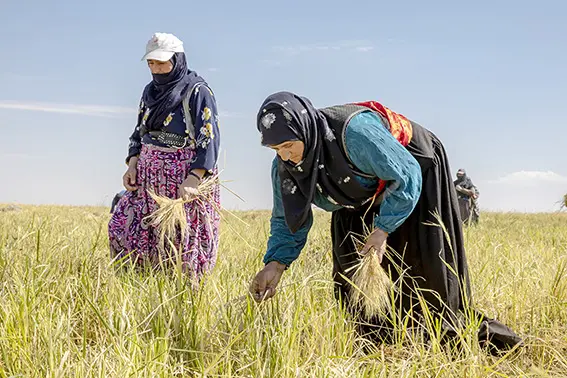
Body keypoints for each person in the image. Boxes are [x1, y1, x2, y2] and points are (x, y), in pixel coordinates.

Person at [249, 91, 522, 354]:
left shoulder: (354, 133)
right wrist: (276, 264)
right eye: (275, 149)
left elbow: (406, 175)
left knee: (426, 273)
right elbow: (286, 218)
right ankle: (379, 349)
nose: (285, 155)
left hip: (414, 175)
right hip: (357, 191)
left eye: (288, 146)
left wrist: (382, 230)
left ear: (305, 129)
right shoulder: (284, 167)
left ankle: (481, 343)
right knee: (352, 274)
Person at [108, 32, 221, 281]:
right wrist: (133, 165)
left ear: (178, 59)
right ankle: (139, 288)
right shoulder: (149, 93)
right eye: (151, 63)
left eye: (161, 62)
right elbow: (140, 131)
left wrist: (194, 177)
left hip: (183, 181)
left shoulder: (197, 91)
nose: (156, 69)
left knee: (183, 243)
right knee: (123, 227)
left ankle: (182, 298)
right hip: (149, 180)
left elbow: (208, 136)